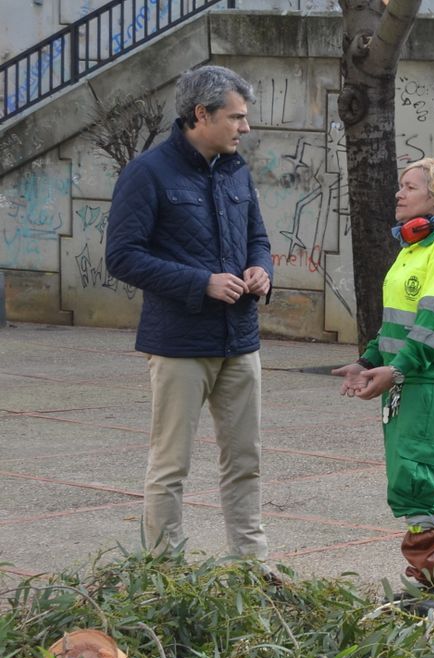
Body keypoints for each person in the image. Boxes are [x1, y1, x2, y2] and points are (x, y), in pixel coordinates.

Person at [106, 65, 273, 561]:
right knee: (170, 465)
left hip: (240, 342)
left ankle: (251, 568)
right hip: (178, 344)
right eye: (236, 117)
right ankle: (165, 574)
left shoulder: (237, 170)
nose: (244, 128)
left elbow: (258, 239)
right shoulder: (147, 173)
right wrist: (201, 283)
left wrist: (261, 270)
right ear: (201, 114)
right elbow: (122, 257)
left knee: (246, 461)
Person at [332, 158, 434, 602]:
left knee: (415, 481)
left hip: (428, 383)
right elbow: (396, 325)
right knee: (426, 481)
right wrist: (368, 359)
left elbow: (432, 325)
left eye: (409, 187)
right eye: (400, 185)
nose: (398, 193)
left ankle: (433, 584)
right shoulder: (414, 248)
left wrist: (396, 370)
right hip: (412, 382)